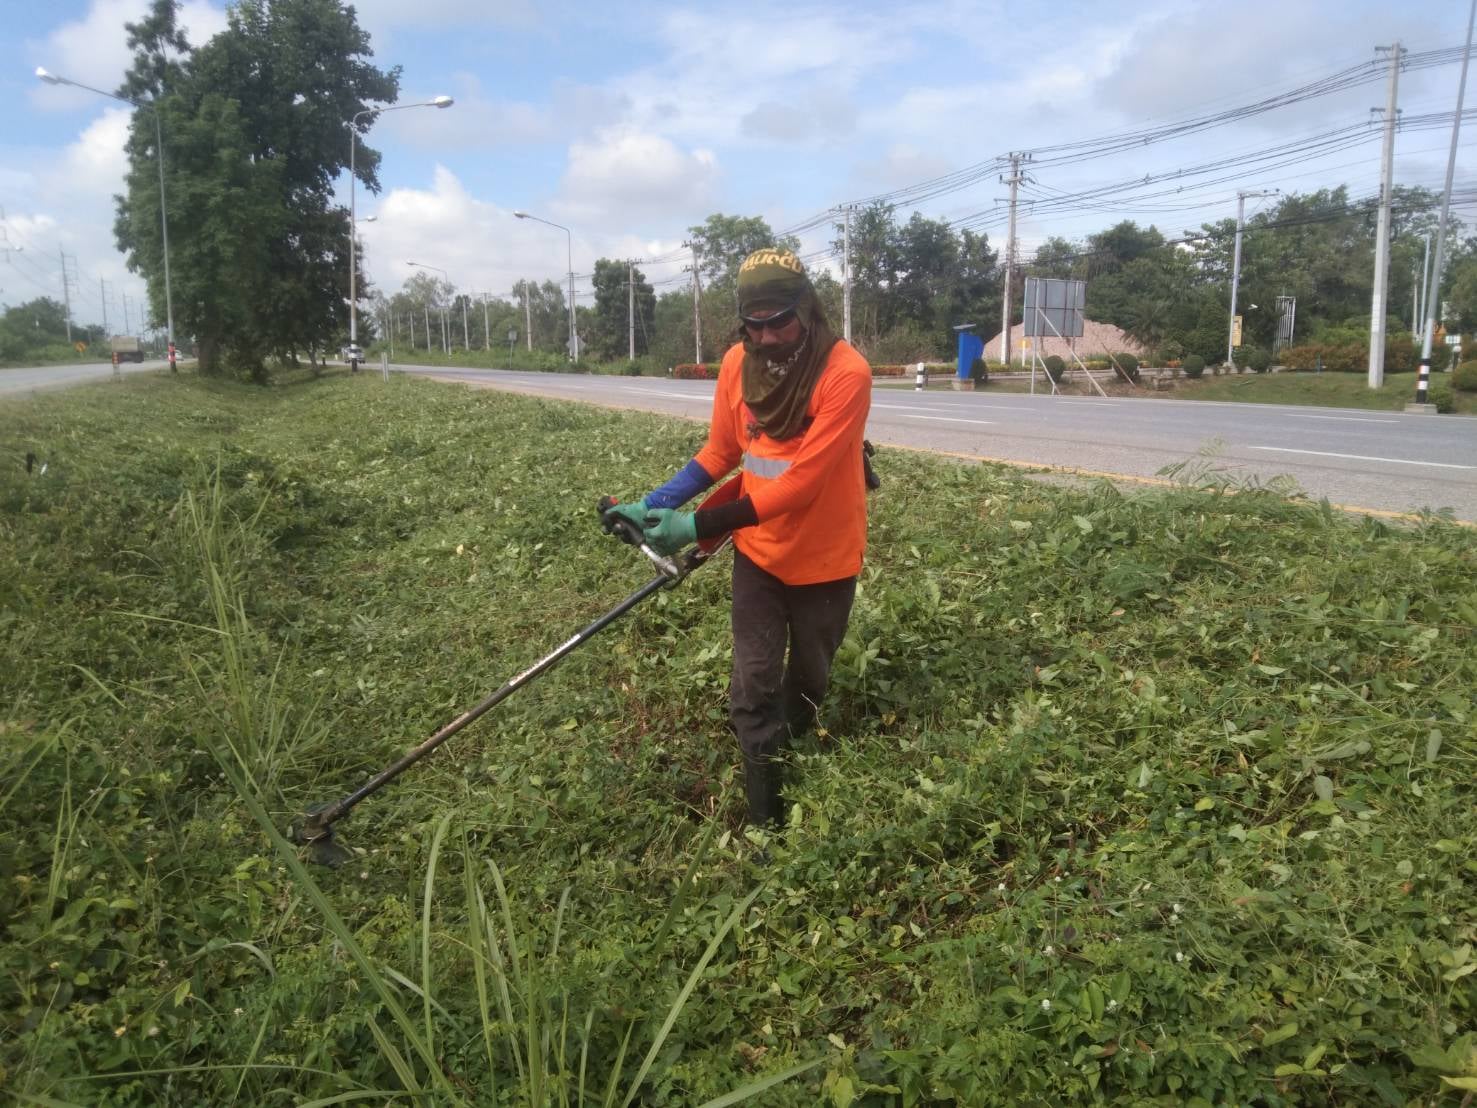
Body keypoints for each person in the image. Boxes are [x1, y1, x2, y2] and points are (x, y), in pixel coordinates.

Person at [603, 248, 872, 829]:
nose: (768, 337)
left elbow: (800, 484)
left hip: (826, 558)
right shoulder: (735, 364)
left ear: (808, 308)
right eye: (755, 324)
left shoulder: (845, 373)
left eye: (781, 321)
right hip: (759, 552)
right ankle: (764, 815)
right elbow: (721, 451)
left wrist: (696, 526)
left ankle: (795, 741)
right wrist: (654, 504)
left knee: (810, 678)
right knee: (754, 678)